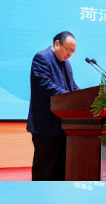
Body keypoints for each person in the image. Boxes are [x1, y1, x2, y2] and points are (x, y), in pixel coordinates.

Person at [27, 31, 80, 181]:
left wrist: (84, 97)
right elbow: (47, 86)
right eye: (68, 49)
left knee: (60, 171)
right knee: (44, 170)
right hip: (45, 125)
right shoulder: (42, 58)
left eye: (73, 51)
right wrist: (71, 97)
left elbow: (72, 86)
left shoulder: (66, 63)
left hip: (63, 125)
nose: (70, 54)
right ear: (57, 44)